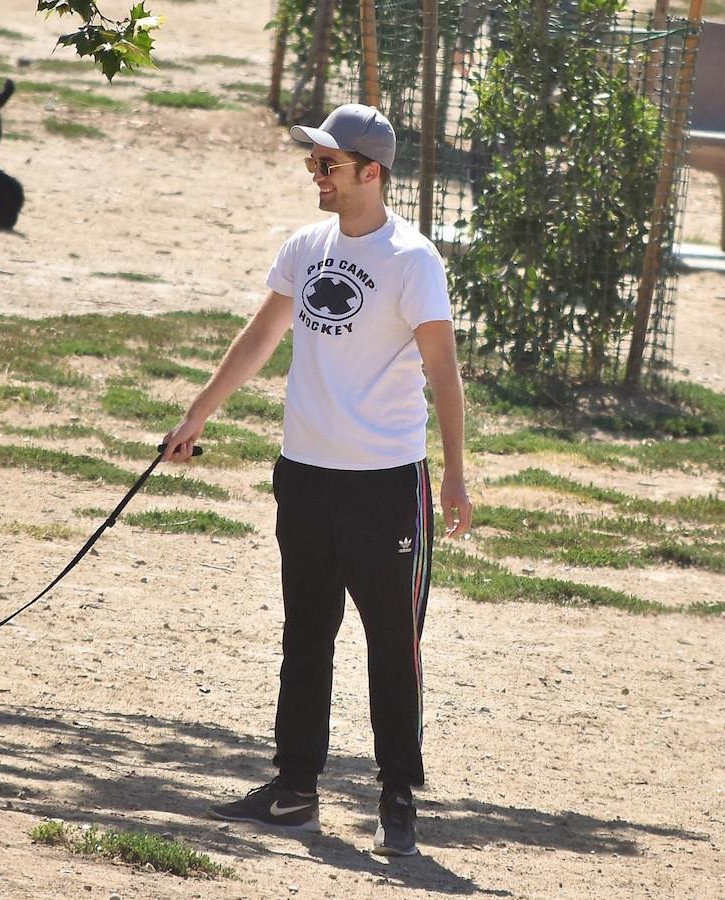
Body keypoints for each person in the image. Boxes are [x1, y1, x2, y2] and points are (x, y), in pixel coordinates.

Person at [161, 103, 473, 857]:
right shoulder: (305, 246)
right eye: (313, 162)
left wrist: (456, 477)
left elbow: (442, 371)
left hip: (385, 483)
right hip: (303, 474)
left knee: (392, 644)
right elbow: (263, 334)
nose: (314, 173)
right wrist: (198, 414)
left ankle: (397, 794)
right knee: (306, 634)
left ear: (372, 173)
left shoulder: (411, 260)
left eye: (327, 164)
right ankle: (293, 788)